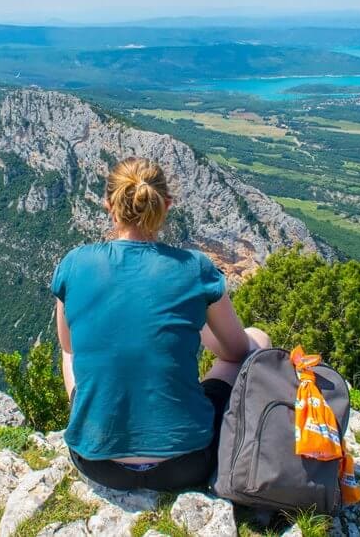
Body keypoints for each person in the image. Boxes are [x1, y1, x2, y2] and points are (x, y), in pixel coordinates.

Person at [51, 156, 271, 492]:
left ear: (109, 204)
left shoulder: (74, 263)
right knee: (259, 338)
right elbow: (238, 351)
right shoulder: (195, 268)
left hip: (97, 464)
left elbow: (69, 348)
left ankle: (95, 421)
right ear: (166, 205)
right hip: (186, 465)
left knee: (69, 353)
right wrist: (195, 323)